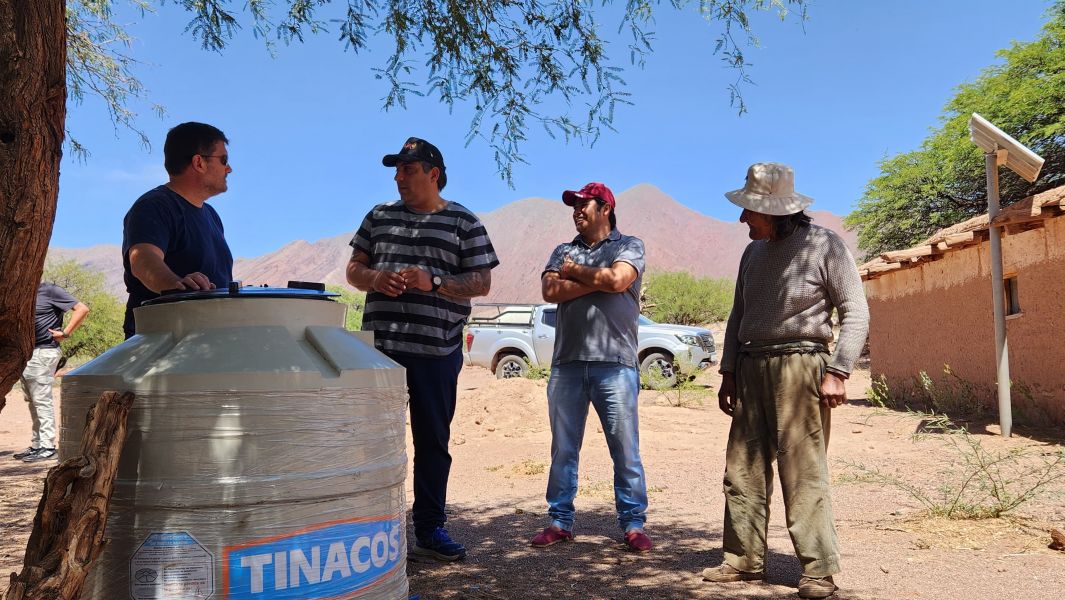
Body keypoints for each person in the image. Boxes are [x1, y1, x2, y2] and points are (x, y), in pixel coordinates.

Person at [700, 163, 869, 599]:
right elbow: (738, 315)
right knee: (741, 472)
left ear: (776, 211)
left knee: (802, 471)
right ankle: (742, 560)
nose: (743, 218)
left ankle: (818, 571)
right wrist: (728, 371)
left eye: (750, 210)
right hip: (751, 367)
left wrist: (839, 370)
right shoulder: (752, 254)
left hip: (801, 365)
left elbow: (856, 311)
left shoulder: (824, 245)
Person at [346, 137, 499, 561]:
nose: (399, 178)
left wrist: (433, 282)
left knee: (432, 443)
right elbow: (354, 270)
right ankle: (370, 533)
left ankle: (429, 531)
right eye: (396, 170)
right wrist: (376, 279)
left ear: (433, 174)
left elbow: (482, 283)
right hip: (379, 353)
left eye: (408, 170)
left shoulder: (464, 222)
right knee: (373, 441)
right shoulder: (378, 217)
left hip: (437, 353)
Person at [530, 181, 653, 553]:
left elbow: (619, 279)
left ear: (605, 208)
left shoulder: (629, 245)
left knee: (625, 449)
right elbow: (550, 291)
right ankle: (559, 521)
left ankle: (633, 524)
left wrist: (574, 273)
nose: (577, 211)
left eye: (584, 204)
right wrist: (599, 280)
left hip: (615, 365)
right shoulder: (563, 250)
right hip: (566, 365)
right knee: (563, 450)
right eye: (574, 206)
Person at [121, 122, 234, 338]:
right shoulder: (154, 206)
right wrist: (175, 284)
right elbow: (143, 260)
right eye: (223, 160)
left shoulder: (212, 216)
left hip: (209, 339)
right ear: (199, 162)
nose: (228, 169)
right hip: (163, 341)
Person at [13, 282, 90, 463]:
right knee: (33, 400)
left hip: (43, 351)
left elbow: (82, 309)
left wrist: (65, 333)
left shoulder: (49, 290)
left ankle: (47, 447)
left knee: (41, 400)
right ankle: (37, 445)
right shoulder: (22, 292)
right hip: (29, 353)